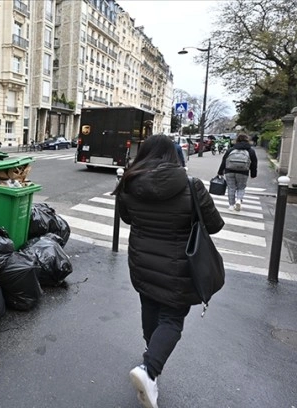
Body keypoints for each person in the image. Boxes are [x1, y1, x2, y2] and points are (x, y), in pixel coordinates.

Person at [113, 134, 224, 408]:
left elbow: (126, 218)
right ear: (174, 155)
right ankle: (149, 370)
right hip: (179, 268)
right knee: (172, 320)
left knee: (150, 308)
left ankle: (151, 356)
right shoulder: (191, 185)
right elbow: (214, 225)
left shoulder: (128, 182)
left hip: (142, 261)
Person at [218, 133, 257, 212]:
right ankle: (239, 200)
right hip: (243, 172)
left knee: (231, 188)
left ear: (237, 140)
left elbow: (224, 160)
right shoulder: (250, 150)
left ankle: (231, 205)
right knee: (241, 187)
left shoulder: (231, 149)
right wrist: (253, 174)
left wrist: (220, 171)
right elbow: (254, 163)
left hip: (229, 171)